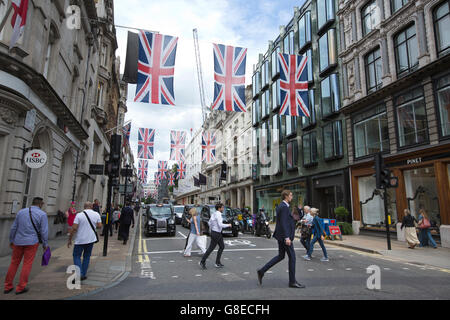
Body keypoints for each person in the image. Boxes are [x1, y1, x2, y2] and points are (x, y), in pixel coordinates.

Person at [257, 190, 305, 289]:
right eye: (291, 195)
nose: (292, 196)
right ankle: (292, 282)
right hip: (284, 237)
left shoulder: (283, 206)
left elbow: (293, 219)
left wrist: (300, 210)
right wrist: (287, 237)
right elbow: (284, 223)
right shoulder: (284, 207)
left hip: (281, 236)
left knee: (281, 256)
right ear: (286, 196)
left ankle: (262, 271)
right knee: (292, 257)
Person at [4, 197, 49, 295]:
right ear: (41, 204)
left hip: (18, 241)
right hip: (32, 242)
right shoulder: (42, 214)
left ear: (32, 203)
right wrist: (45, 244)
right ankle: (20, 287)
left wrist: (11, 240)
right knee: (27, 264)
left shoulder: (21, 212)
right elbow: (44, 231)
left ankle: (7, 286)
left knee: (14, 263)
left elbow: (13, 227)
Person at [68, 202, 102, 281]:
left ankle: (79, 274)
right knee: (87, 256)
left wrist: (70, 239)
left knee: (76, 256)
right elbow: (100, 226)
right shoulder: (96, 214)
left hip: (80, 239)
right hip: (91, 239)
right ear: (92, 206)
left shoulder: (79, 215)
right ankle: (83, 274)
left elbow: (74, 228)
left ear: (84, 207)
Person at [199, 203, 231, 269]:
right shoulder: (218, 214)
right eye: (222, 208)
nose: (223, 209)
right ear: (219, 208)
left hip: (215, 232)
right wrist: (228, 225)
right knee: (211, 248)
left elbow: (209, 223)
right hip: (216, 233)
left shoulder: (214, 213)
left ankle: (217, 262)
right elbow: (220, 224)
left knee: (222, 246)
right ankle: (203, 261)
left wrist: (213, 228)